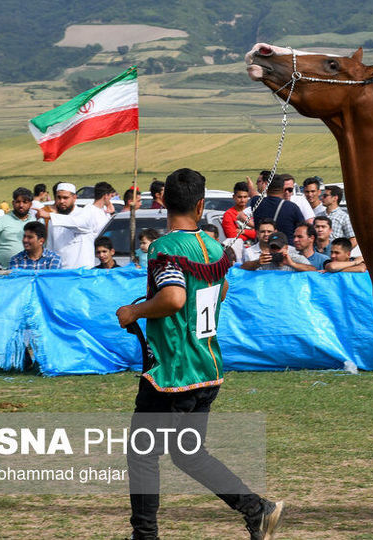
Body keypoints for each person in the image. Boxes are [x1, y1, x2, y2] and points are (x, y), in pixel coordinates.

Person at [115, 168, 282, 540]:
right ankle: (257, 509)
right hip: (208, 367)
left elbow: (173, 297)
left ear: (161, 202)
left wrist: (135, 311)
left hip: (174, 371)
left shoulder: (164, 247)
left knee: (141, 452)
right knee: (188, 452)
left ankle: (145, 536)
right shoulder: (212, 246)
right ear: (201, 204)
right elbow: (219, 293)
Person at [0, 187, 35, 268]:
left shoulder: (35, 223)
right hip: (3, 272)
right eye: (18, 202)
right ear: (13, 203)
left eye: (25, 202)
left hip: (29, 272)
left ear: (30, 204)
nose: (21, 205)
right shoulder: (1, 221)